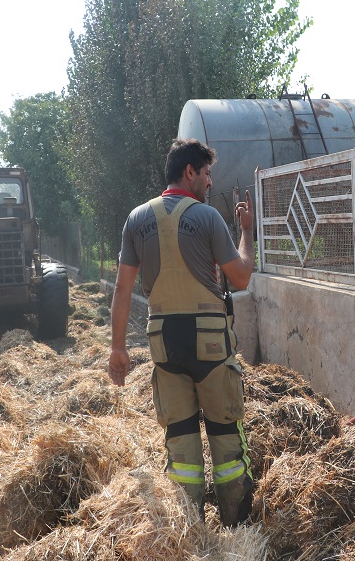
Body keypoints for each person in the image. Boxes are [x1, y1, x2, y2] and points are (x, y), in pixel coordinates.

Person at [108, 138, 256, 527]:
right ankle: (236, 527)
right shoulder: (208, 217)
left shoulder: (136, 219)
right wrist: (247, 232)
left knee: (180, 438)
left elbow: (122, 288)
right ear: (190, 172)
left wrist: (118, 349)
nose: (209, 182)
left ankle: (189, 530)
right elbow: (241, 277)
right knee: (225, 432)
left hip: (164, 342)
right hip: (210, 342)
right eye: (206, 173)